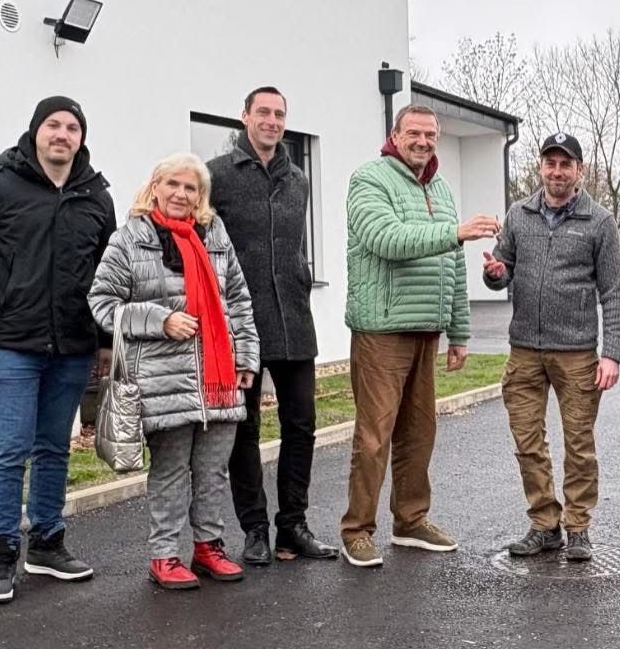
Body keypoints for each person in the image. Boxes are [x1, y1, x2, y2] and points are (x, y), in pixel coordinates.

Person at [0, 96, 117, 605]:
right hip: (8, 345)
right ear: (36, 131)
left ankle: (46, 543)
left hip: (72, 346)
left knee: (53, 449)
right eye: (53, 125)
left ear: (81, 138)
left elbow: (108, 276)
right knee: (6, 451)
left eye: (72, 127)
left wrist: (105, 342)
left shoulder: (96, 198)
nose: (62, 134)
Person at [89, 153, 261, 590]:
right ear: (155, 187)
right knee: (168, 471)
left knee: (212, 471)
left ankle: (208, 547)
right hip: (163, 380)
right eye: (174, 185)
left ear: (200, 195)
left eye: (191, 188)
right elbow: (103, 304)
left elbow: (238, 299)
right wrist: (160, 319)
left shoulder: (215, 234)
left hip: (218, 378)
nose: (182, 194)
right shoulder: (130, 238)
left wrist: (246, 358)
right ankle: (164, 555)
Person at [339, 104, 500, 567]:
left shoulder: (442, 189)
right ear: (395, 134)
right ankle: (357, 529)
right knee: (374, 436)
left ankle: (410, 521)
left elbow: (452, 266)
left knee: (419, 433)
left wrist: (460, 332)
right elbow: (386, 239)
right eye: (414, 132)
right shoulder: (369, 179)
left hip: (426, 330)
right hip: (381, 328)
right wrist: (454, 232)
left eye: (430, 134)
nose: (423, 141)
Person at [483, 132, 620, 562]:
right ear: (541, 167)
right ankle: (544, 524)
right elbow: (501, 270)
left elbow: (614, 292)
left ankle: (578, 526)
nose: (557, 171)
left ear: (579, 170)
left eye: (566, 164)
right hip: (525, 349)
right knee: (528, 442)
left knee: (579, 444)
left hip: (577, 352)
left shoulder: (598, 221)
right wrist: (494, 272)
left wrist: (611, 353)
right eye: (551, 163)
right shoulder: (518, 214)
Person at [209, 86, 337, 564]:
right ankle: (255, 530)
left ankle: (292, 526)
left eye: (279, 114)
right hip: (240, 322)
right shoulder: (216, 175)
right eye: (262, 112)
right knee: (244, 428)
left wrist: (302, 276)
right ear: (245, 117)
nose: (272, 120)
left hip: (294, 321)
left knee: (301, 425)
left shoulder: (298, 178)